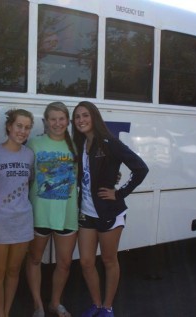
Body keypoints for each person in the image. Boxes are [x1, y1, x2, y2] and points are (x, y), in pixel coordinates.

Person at [72, 101, 149, 317]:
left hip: (109, 213)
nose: (81, 120)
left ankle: (107, 307)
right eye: (77, 117)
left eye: (85, 115)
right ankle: (96, 304)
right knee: (86, 262)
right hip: (86, 212)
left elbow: (140, 168)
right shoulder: (80, 145)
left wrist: (119, 192)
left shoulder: (108, 142)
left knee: (108, 260)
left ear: (94, 117)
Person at [25, 102, 78, 317]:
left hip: (67, 213)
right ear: (46, 122)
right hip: (40, 212)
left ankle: (55, 303)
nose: (57, 123)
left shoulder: (76, 146)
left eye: (61, 119)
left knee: (64, 263)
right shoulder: (34, 144)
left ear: (67, 121)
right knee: (35, 259)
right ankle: (38, 304)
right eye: (53, 119)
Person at [0, 109, 35, 317]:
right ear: (9, 126)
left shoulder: (29, 155)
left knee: (14, 271)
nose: (22, 131)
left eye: (27, 127)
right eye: (19, 126)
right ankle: (1, 314)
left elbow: (29, 182)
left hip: (23, 221)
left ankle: (7, 311)